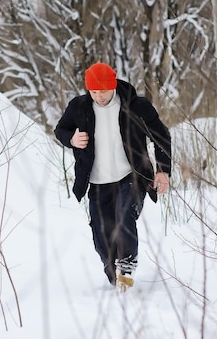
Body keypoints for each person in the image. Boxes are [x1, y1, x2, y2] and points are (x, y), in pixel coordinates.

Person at [54, 62, 171, 292]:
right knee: (101, 235)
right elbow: (61, 130)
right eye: (94, 92)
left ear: (114, 85)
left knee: (123, 214)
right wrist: (72, 139)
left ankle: (127, 265)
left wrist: (163, 170)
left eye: (104, 91)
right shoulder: (79, 107)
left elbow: (161, 135)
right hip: (97, 184)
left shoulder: (136, 106)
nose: (99, 96)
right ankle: (113, 273)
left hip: (132, 176)